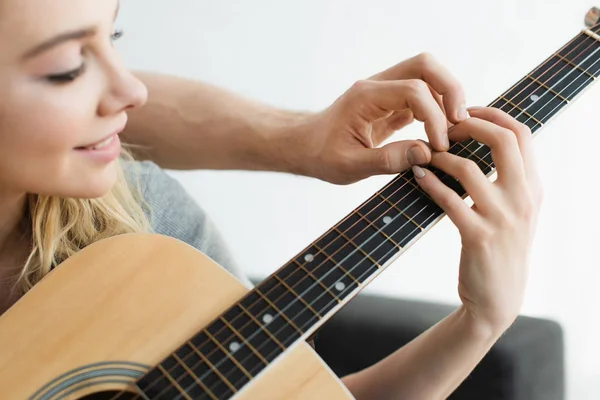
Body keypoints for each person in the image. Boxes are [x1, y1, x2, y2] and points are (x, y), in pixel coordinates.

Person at [0, 0, 542, 399]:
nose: (131, 91)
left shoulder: (149, 229)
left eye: (113, 37)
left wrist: (481, 320)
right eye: (68, 66)